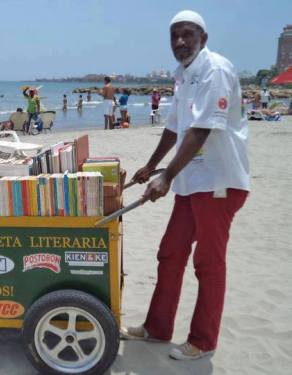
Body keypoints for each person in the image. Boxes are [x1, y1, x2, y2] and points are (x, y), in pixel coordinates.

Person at [120, 10, 249, 361]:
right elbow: (175, 128)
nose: (179, 41)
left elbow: (202, 130)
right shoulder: (183, 75)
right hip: (193, 180)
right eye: (174, 35)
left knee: (208, 262)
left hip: (219, 181)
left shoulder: (216, 70)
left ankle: (203, 341)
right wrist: (150, 165)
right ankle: (157, 328)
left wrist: (167, 176)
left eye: (187, 34)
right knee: (171, 251)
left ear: (202, 38)